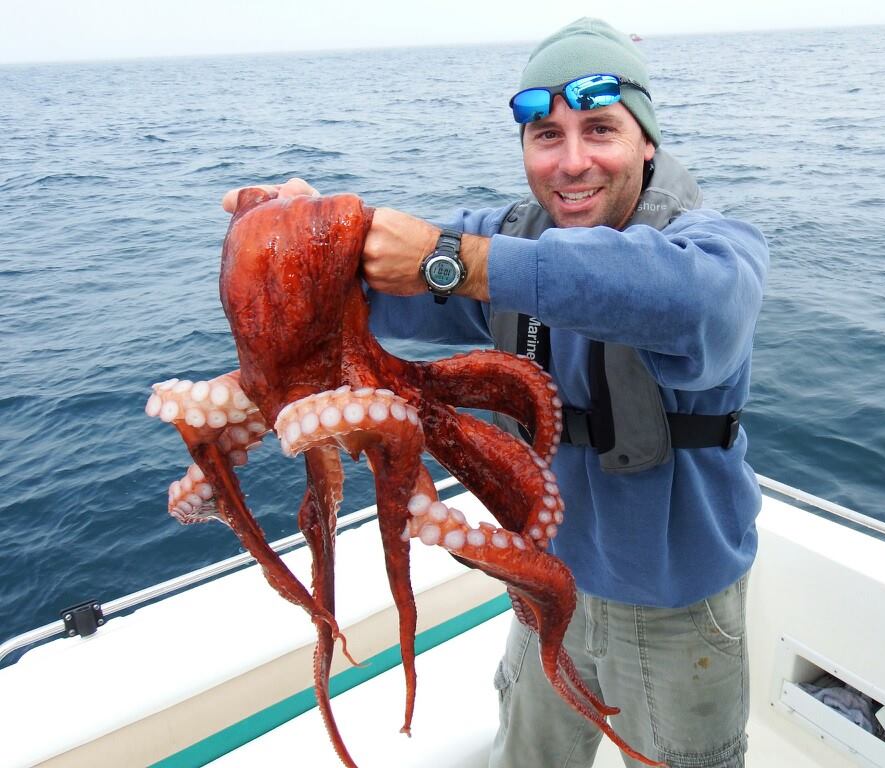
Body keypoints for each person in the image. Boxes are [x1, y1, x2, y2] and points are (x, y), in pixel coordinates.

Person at [225, 17, 767, 768]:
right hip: (546, 589)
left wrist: (457, 261)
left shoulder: (714, 248)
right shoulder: (503, 240)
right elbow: (371, 286)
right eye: (547, 135)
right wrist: (301, 239)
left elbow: (691, 305)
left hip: (679, 604)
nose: (573, 162)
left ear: (647, 141)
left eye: (600, 130)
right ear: (524, 151)